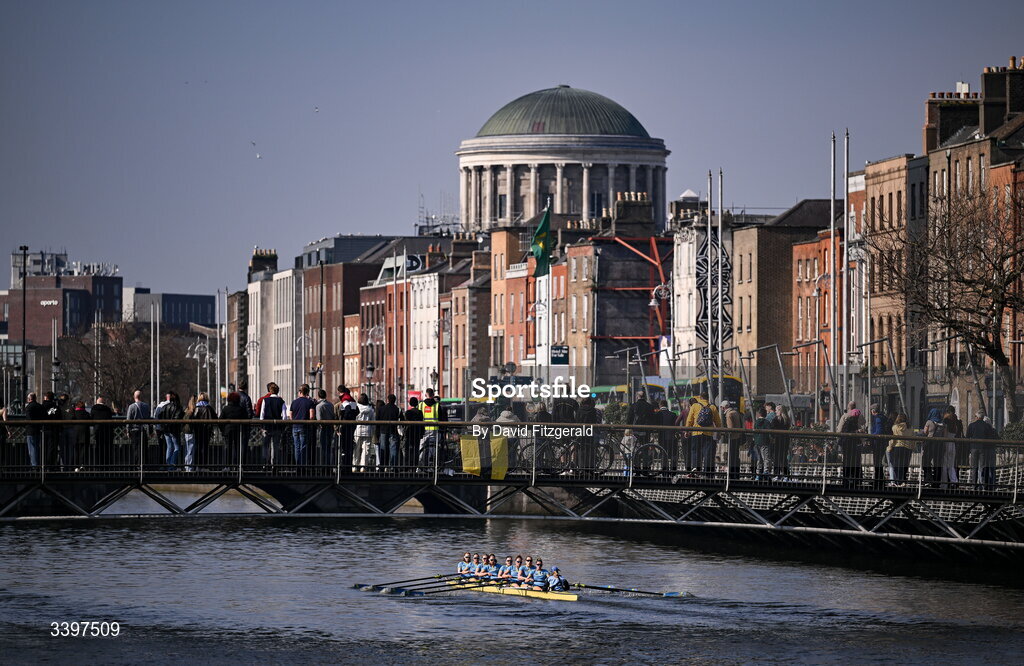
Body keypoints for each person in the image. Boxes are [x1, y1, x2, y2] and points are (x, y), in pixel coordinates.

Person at [685, 390, 722, 476]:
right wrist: (719, 433)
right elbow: (718, 423)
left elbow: (689, 420)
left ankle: (695, 472)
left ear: (700, 397)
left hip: (696, 433)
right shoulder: (712, 407)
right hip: (708, 434)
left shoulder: (694, 406)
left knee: (695, 453)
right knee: (708, 454)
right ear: (708, 398)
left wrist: (687, 431)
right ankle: (707, 474)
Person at [966, 410, 999, 489]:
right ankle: (983, 484)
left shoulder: (971, 425)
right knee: (982, 467)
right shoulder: (987, 426)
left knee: (974, 467)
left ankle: (974, 485)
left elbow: (967, 436)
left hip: (974, 448)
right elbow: (990, 435)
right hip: (983, 448)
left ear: (977, 417)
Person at [259, 383, 287, 469]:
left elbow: (262, 415)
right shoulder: (281, 401)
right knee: (275, 446)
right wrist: (283, 426)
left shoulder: (265, 400)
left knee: (265, 445)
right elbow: (285, 416)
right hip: (277, 426)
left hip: (267, 426)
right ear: (278, 391)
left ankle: (265, 463)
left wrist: (262, 426)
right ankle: (274, 464)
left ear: (270, 391)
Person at [219, 391, 250, 467]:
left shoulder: (225, 409)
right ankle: (238, 466)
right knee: (238, 449)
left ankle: (227, 466)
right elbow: (246, 419)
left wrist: (223, 430)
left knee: (228, 448)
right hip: (238, 431)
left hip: (228, 431)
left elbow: (220, 420)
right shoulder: (241, 409)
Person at [288, 385, 316, 467]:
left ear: (300, 392)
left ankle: (298, 465)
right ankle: (302, 466)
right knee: (303, 447)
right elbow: (311, 416)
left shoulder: (294, 402)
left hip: (295, 426)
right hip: (304, 426)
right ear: (307, 393)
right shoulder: (310, 402)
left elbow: (290, 415)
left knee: (296, 447)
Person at [836, 402, 865, 482]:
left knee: (847, 461)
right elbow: (864, 428)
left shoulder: (845, 416)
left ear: (848, 407)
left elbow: (839, 430)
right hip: (858, 443)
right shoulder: (861, 416)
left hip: (847, 443)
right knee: (857, 461)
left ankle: (847, 478)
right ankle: (858, 478)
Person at [190, 393, 217, 470]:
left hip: (197, 430)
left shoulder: (196, 408)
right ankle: (204, 466)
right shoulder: (209, 408)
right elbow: (215, 418)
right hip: (207, 430)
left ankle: (197, 466)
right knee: (204, 448)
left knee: (197, 447)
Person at [125, 389, 151, 467]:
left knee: (136, 448)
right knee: (143, 449)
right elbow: (148, 418)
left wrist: (127, 431)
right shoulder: (146, 406)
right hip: (143, 430)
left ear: (134, 397)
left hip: (134, 430)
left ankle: (136, 465)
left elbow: (128, 420)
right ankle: (143, 465)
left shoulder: (131, 407)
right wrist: (150, 431)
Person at [376, 394, 402, 471]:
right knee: (393, 449)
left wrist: (377, 432)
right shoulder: (397, 409)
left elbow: (377, 420)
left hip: (383, 431)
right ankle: (394, 467)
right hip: (393, 430)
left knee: (383, 449)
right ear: (395, 400)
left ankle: (383, 466)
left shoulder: (381, 409)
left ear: (387, 400)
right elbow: (402, 419)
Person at [335, 386, 359, 471]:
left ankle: (344, 466)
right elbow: (357, 411)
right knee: (349, 446)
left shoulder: (345, 399)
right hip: (352, 425)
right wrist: (352, 417)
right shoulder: (352, 399)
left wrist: (344, 420)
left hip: (346, 426)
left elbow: (347, 409)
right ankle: (348, 466)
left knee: (344, 447)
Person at [160, 392, 185, 470]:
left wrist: (164, 425)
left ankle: (168, 465)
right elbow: (177, 418)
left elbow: (159, 416)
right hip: (174, 430)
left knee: (169, 447)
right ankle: (171, 465)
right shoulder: (178, 407)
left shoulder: (164, 407)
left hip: (166, 430)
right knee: (177, 448)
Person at [867, 404, 890, 487]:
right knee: (879, 462)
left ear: (873, 411)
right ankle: (879, 479)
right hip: (882, 442)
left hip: (878, 443)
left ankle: (878, 480)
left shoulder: (878, 419)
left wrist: (871, 436)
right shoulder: (883, 417)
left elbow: (878, 431)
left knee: (877, 462)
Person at [887, 413, 913, 485]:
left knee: (896, 466)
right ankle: (903, 481)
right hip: (907, 448)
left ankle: (898, 482)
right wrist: (913, 447)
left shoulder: (895, 427)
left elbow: (893, 439)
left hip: (897, 447)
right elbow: (913, 439)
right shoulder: (910, 428)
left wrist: (890, 447)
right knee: (905, 466)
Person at [418, 388, 441, 470]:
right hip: (434, 430)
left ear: (425, 395)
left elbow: (418, 417)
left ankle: (420, 466)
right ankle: (431, 467)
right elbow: (441, 418)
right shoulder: (437, 405)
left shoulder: (421, 405)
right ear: (433, 395)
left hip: (423, 430)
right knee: (432, 448)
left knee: (421, 447)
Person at [922, 408, 946, 486]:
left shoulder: (929, 422)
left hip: (930, 443)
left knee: (926, 461)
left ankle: (928, 478)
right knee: (938, 463)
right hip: (940, 444)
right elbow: (944, 435)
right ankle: (937, 482)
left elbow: (925, 432)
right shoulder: (943, 424)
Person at [90, 397, 115, 468]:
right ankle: (107, 465)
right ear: (103, 402)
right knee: (107, 449)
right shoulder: (107, 409)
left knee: (99, 448)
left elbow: (92, 418)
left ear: (97, 402)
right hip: (107, 431)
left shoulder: (93, 409)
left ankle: (99, 465)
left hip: (98, 430)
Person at [722, 401, 744, 478]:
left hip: (732, 438)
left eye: (722, 407)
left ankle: (731, 474)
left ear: (724, 407)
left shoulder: (729, 414)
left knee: (731, 456)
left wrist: (725, 433)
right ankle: (736, 474)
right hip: (738, 436)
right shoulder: (736, 412)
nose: (721, 409)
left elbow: (730, 428)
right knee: (736, 456)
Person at [941, 408, 962, 489]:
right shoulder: (956, 421)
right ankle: (954, 481)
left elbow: (945, 433)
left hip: (947, 443)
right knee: (951, 465)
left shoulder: (946, 421)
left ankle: (944, 484)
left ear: (948, 412)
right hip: (953, 444)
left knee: (944, 465)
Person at [354, 393, 376, 470]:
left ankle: (355, 466)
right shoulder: (371, 410)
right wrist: (373, 431)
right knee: (366, 450)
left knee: (356, 449)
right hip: (368, 431)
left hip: (357, 430)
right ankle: (363, 466)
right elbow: (373, 422)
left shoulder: (356, 408)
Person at [315, 389, 336, 467]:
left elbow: (319, 419)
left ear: (318, 396)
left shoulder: (318, 406)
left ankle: (323, 466)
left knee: (323, 447)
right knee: (329, 447)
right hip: (330, 427)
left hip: (323, 428)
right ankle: (328, 465)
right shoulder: (330, 404)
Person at [402, 397, 424, 470]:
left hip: (409, 433)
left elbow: (405, 423)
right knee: (416, 449)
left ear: (410, 403)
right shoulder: (420, 412)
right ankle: (415, 466)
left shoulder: (408, 412)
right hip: (417, 433)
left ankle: (407, 465)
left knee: (408, 450)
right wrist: (422, 433)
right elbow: (422, 423)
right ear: (417, 403)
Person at [24, 392, 45, 467]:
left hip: (30, 430)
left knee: (32, 449)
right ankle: (38, 465)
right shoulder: (40, 406)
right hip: (38, 429)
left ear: (29, 399)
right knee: (36, 448)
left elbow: (28, 418)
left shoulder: (29, 407)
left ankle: (34, 466)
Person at [772, 404, 792, 481]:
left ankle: (777, 474)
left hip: (778, 440)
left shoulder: (775, 420)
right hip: (785, 440)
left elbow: (772, 429)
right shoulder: (787, 420)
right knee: (783, 458)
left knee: (777, 458)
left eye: (777, 410)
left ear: (780, 411)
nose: (775, 412)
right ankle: (786, 474)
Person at [70, 401, 91, 471]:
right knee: (83, 451)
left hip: (76, 434)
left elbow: (71, 420)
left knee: (76, 451)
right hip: (85, 434)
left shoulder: (74, 413)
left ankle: (76, 466)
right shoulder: (86, 414)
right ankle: (82, 465)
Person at [752, 407, 770, 480]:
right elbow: (770, 431)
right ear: (765, 414)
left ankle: (758, 474)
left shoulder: (756, 422)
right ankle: (766, 472)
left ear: (758, 414)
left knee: (759, 459)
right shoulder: (767, 422)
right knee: (766, 458)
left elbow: (754, 432)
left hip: (757, 442)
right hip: (765, 442)